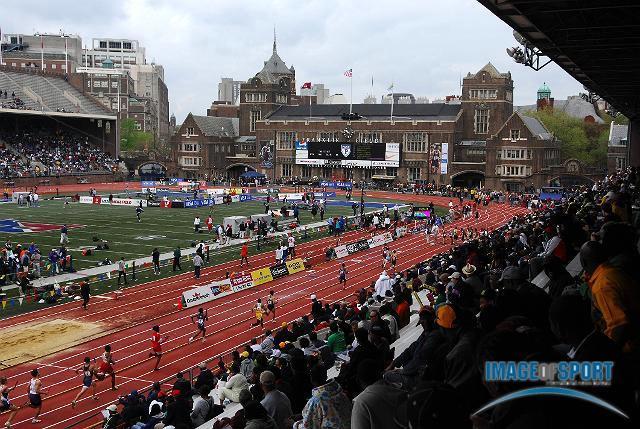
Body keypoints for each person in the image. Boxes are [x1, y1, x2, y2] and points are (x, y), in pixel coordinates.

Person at [295, 364, 352, 429]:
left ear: (311, 379)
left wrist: (294, 424)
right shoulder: (340, 393)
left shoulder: (317, 400)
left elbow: (308, 426)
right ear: (326, 376)